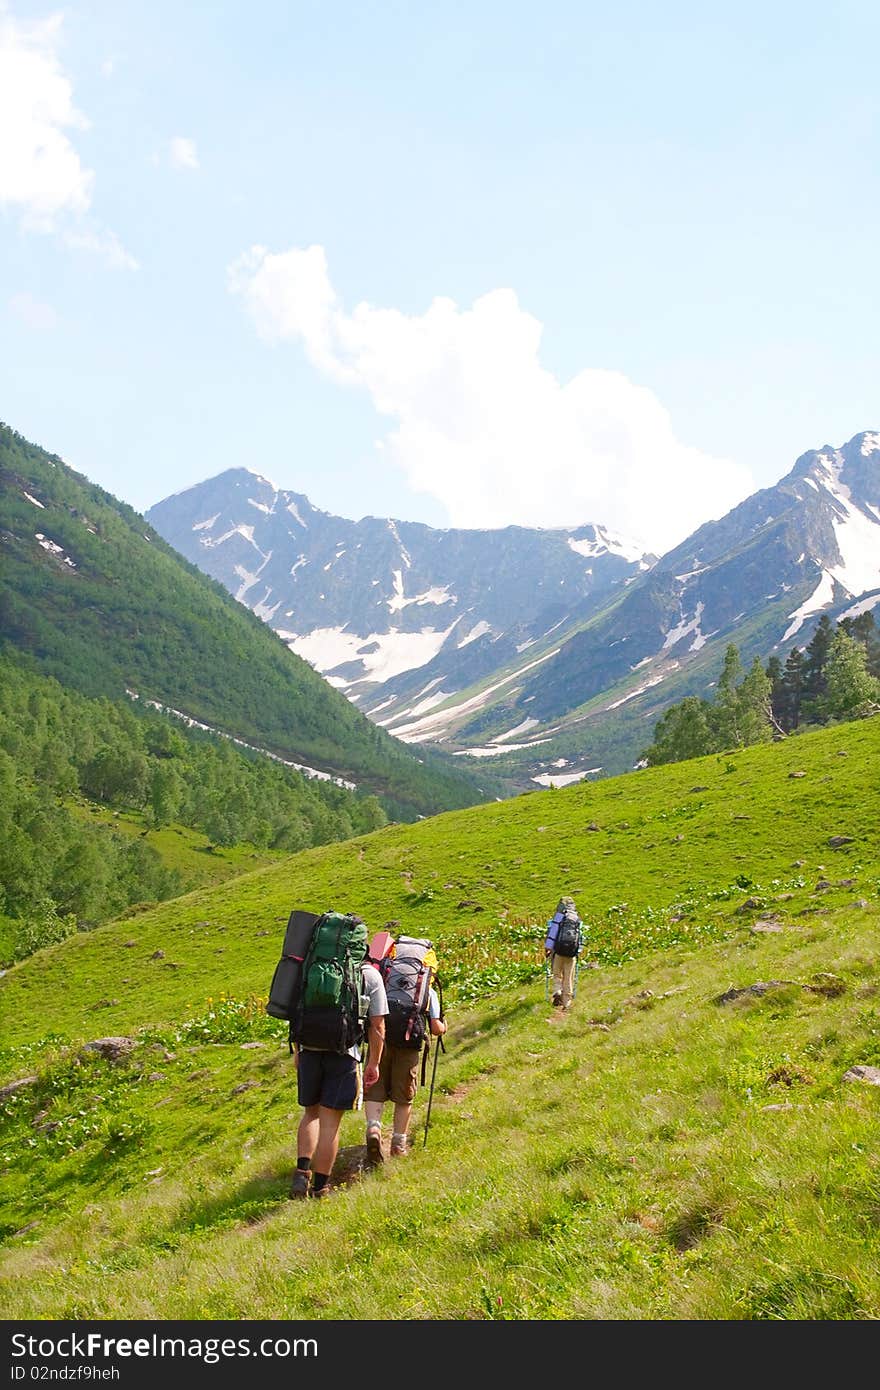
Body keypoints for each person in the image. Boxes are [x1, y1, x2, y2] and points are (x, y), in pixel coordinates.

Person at [289, 956, 388, 1200]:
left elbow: (299, 1008)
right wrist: (374, 1063)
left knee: (310, 1114)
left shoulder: (314, 969)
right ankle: (320, 1188)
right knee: (330, 1124)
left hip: (310, 1050)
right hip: (344, 1055)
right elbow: (378, 1026)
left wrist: (298, 1048)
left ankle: (302, 1174)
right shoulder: (369, 975)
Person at [363, 978, 446, 1162]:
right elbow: (435, 1028)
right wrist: (444, 1027)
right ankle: (398, 1145)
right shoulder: (426, 987)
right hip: (409, 1046)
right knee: (404, 1097)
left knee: (374, 1089)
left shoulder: (385, 980)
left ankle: (374, 1128)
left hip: (381, 1041)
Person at [544, 894, 582, 1011]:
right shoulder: (577, 919)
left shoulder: (559, 917)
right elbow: (580, 938)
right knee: (568, 977)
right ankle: (567, 1003)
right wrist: (578, 951)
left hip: (558, 952)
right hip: (571, 954)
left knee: (557, 974)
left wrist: (548, 949)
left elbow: (552, 934)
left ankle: (557, 991)